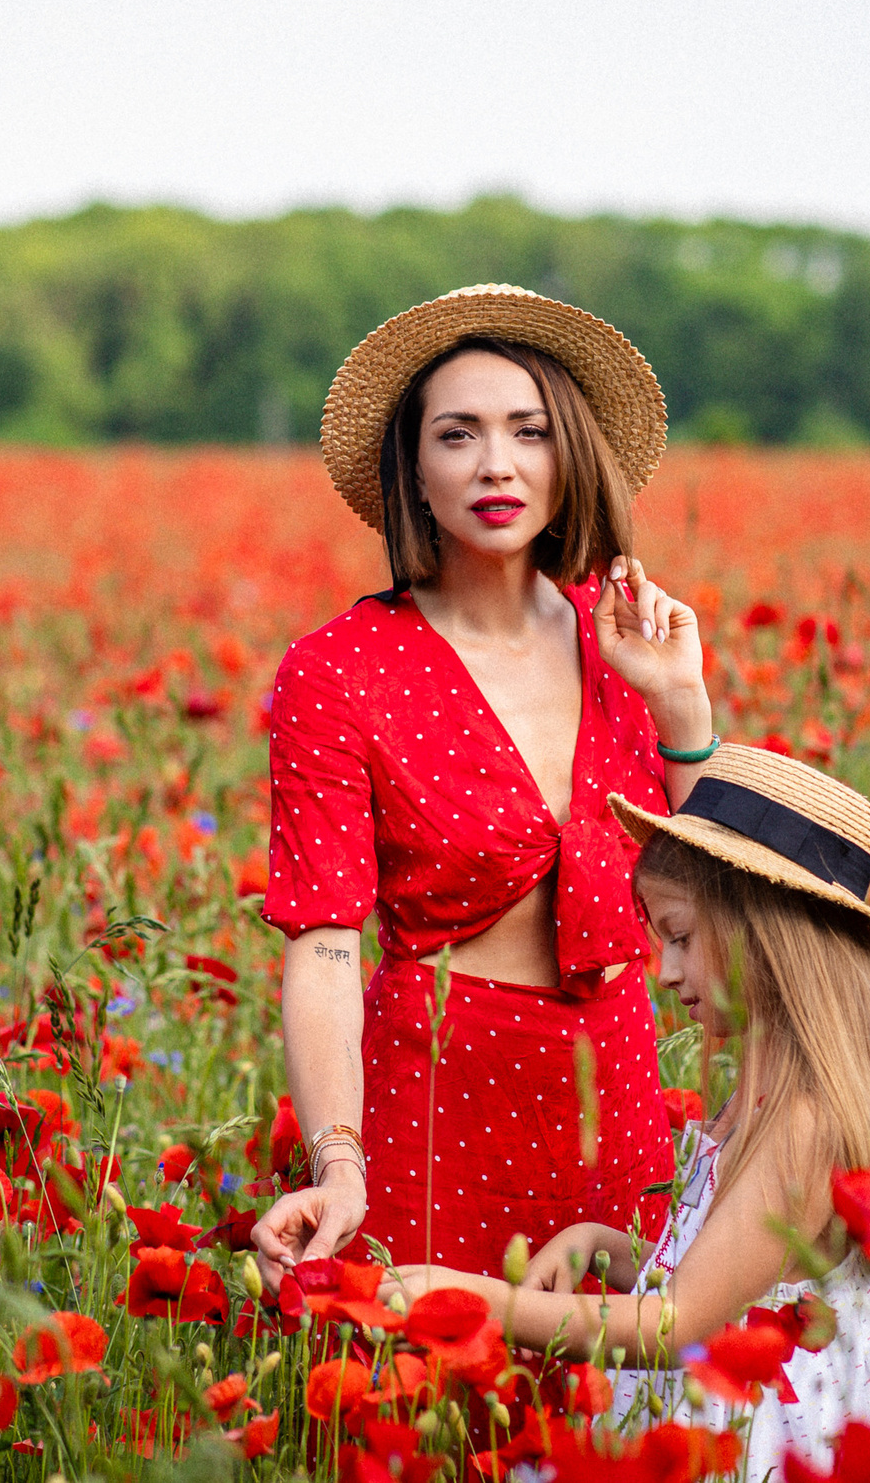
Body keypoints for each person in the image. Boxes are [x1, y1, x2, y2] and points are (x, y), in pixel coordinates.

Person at [250, 284, 721, 1287]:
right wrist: (341, 1162)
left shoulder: (625, 636)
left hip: (617, 1094)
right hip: (435, 1109)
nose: (495, 463)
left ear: (571, 456)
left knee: (621, 1415)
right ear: (413, 472)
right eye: (456, 434)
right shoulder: (339, 669)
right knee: (435, 1409)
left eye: (529, 431)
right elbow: (326, 944)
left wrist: (680, 704)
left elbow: (719, 892)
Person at [388, 744, 870, 1483]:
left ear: (769, 937)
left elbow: (676, 1323)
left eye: (681, 936)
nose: (668, 969)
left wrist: (473, 1300)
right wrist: (603, 1245)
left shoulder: (804, 1125)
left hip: (771, 1447)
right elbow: (739, 1279)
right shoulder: (762, 1099)